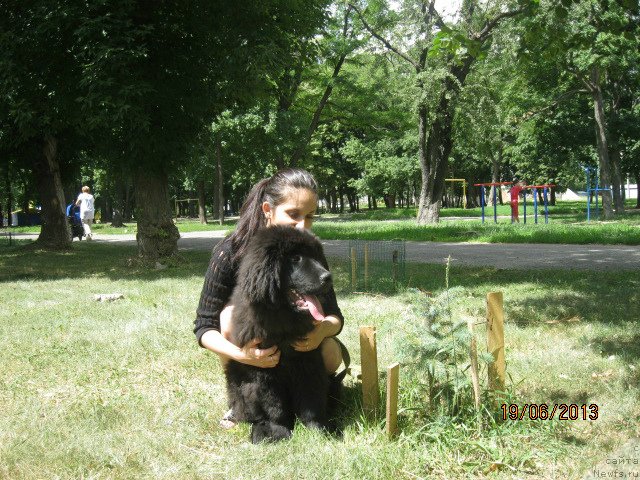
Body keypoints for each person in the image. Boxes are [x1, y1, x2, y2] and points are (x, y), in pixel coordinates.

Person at [194, 168, 347, 429]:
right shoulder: (230, 251)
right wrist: (242, 356)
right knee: (228, 316)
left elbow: (335, 316)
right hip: (251, 346)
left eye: (309, 216)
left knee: (331, 355)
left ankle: (307, 401)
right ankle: (243, 398)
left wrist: (321, 331)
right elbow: (204, 327)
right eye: (293, 214)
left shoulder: (309, 249)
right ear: (268, 209)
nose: (303, 225)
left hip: (300, 347)